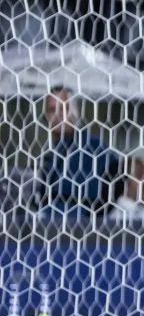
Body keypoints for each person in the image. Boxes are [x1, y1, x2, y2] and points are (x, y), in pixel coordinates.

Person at [38, 87, 124, 218]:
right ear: (45, 116)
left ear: (77, 111)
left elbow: (116, 184)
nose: (58, 115)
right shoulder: (48, 151)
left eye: (64, 108)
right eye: (52, 110)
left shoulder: (96, 147)